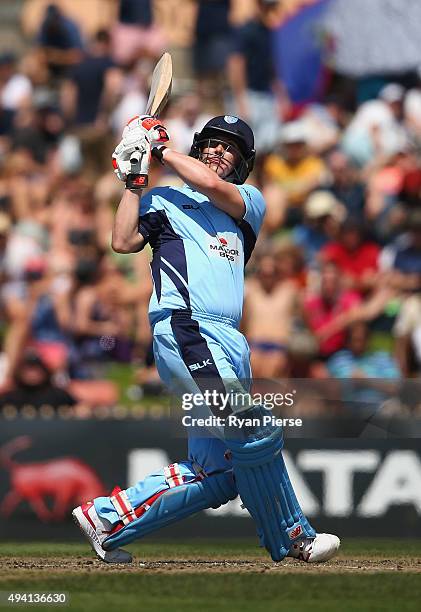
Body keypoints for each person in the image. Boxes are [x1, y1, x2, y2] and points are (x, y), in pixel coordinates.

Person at [72, 114, 340, 564]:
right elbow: (121, 241)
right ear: (198, 148)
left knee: (219, 471)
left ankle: (107, 518)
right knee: (251, 427)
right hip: (187, 329)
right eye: (212, 143)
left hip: (228, 341)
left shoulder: (248, 203)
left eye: (230, 147)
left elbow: (215, 189)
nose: (219, 150)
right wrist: (136, 181)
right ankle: (294, 534)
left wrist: (160, 151)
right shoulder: (164, 198)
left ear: (243, 162)